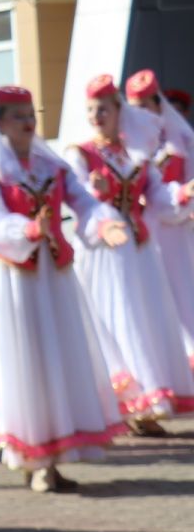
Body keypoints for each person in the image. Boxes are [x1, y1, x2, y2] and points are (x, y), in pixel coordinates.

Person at [0, 85, 126, 491]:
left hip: (55, 276)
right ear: (1, 122)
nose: (28, 122)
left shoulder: (51, 166)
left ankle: (54, 458)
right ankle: (35, 457)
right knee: (28, 361)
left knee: (59, 357)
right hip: (19, 279)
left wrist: (105, 222)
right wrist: (28, 228)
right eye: (19, 115)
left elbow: (85, 202)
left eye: (31, 114)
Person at [66, 74, 194, 435]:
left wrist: (184, 194)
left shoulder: (135, 157)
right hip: (103, 252)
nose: (96, 116)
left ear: (118, 111)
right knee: (114, 320)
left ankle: (144, 403)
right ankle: (121, 402)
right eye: (91, 110)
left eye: (103, 109)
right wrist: (103, 219)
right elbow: (79, 201)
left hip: (138, 254)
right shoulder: (81, 155)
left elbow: (160, 200)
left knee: (142, 321)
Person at [122, 70, 194, 358]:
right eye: (134, 107)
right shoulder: (123, 144)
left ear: (157, 105)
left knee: (179, 286)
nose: (140, 113)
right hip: (139, 227)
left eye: (145, 106)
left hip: (175, 228)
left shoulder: (181, 142)